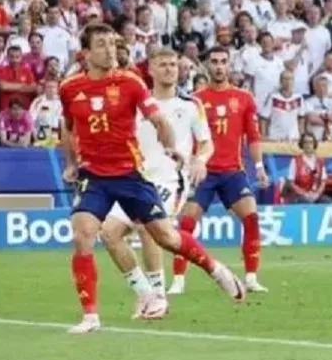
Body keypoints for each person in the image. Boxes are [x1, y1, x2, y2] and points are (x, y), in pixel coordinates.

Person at [59, 24, 243, 334]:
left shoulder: (130, 83)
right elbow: (67, 126)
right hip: (94, 175)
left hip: (131, 174)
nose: (110, 50)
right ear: (86, 53)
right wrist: (70, 162)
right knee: (84, 235)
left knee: (165, 237)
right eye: (101, 45)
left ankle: (215, 269)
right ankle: (94, 315)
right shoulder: (69, 88)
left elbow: (157, 119)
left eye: (112, 43)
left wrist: (171, 146)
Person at [99, 48, 213, 319]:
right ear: (150, 69)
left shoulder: (190, 105)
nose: (170, 69)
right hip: (137, 178)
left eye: (173, 64)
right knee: (108, 234)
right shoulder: (138, 103)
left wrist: (200, 160)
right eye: (162, 64)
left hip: (171, 179)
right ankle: (145, 293)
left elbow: (206, 142)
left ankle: (158, 296)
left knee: (146, 226)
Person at [170, 47, 268, 296]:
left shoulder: (244, 98)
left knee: (251, 217)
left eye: (223, 62)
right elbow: (185, 136)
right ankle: (179, 280)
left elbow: (253, 136)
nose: (219, 66)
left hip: (232, 171)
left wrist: (258, 167)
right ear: (206, 66)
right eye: (214, 62)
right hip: (203, 171)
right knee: (187, 224)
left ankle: (251, 277)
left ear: (229, 65)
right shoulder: (195, 100)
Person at [282, 132, 330, 204]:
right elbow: (291, 183)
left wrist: (317, 194)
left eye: (310, 142)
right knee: (305, 202)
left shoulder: (320, 161)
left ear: (314, 144)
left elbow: (323, 182)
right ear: (302, 144)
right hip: (299, 196)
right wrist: (304, 194)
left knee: (327, 202)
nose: (308, 145)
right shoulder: (295, 161)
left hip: (315, 194)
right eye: (305, 142)